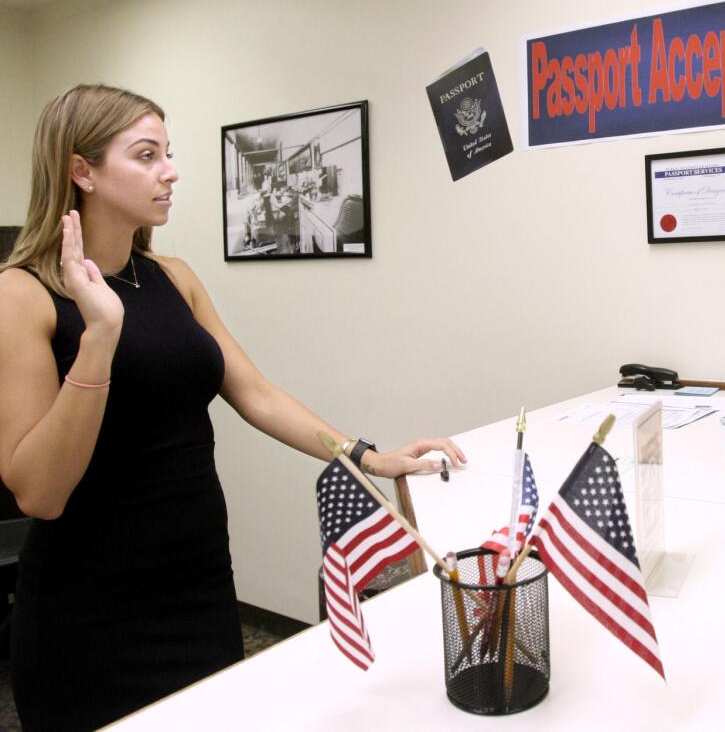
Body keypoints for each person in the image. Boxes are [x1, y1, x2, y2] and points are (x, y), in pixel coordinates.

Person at [0, 84, 467, 731]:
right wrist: (100, 337)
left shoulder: (173, 276)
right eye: (145, 155)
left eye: (168, 152)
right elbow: (39, 493)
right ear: (82, 171)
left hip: (196, 581)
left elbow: (257, 394)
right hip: (90, 607)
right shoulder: (22, 294)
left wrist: (369, 456)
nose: (171, 171)